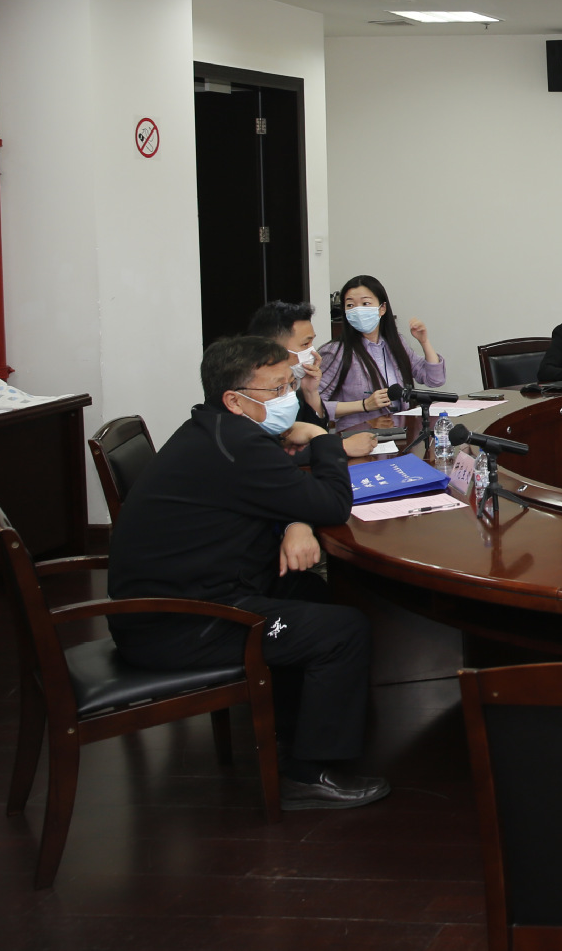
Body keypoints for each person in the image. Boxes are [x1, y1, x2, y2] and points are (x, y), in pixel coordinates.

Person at [105, 335, 389, 810]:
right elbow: (331, 503)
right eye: (276, 390)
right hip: (180, 624)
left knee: (308, 591)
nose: (288, 398)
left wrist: (296, 519)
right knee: (343, 630)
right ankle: (306, 775)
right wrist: (325, 440)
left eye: (288, 386)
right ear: (234, 400)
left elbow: (280, 487)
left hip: (181, 599)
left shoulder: (216, 431)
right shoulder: (238, 446)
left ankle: (291, 730)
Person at [246, 300, 378, 456]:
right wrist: (341, 447)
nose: (313, 351)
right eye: (305, 344)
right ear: (272, 347)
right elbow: (268, 453)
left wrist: (310, 392)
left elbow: (313, 435)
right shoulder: (249, 391)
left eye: (312, 342)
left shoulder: (293, 387)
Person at [317, 275, 445, 435]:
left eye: (365, 303)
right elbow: (315, 407)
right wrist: (364, 405)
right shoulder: (335, 351)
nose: (358, 310)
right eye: (350, 305)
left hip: (399, 433)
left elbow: (435, 379)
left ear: (382, 308)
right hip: (358, 437)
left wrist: (424, 342)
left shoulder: (395, 343)